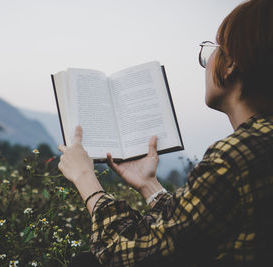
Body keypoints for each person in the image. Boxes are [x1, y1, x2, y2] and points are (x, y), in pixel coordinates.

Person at [58, 0, 273, 266]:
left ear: (231, 64)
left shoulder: (234, 157)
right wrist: (150, 185)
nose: (207, 64)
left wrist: (85, 177)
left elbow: (129, 254)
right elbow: (192, 229)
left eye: (213, 50)